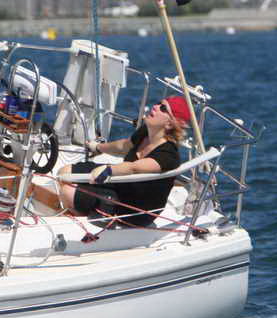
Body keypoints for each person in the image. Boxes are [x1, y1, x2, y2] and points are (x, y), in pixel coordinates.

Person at [57, 96, 191, 227]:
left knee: (67, 192)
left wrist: (108, 170)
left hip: (135, 209)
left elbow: (134, 168)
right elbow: (124, 146)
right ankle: (84, 209)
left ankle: (87, 222)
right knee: (64, 172)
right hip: (122, 184)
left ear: (169, 124)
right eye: (158, 103)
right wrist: (98, 147)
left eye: (163, 108)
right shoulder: (146, 131)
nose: (156, 106)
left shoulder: (168, 155)